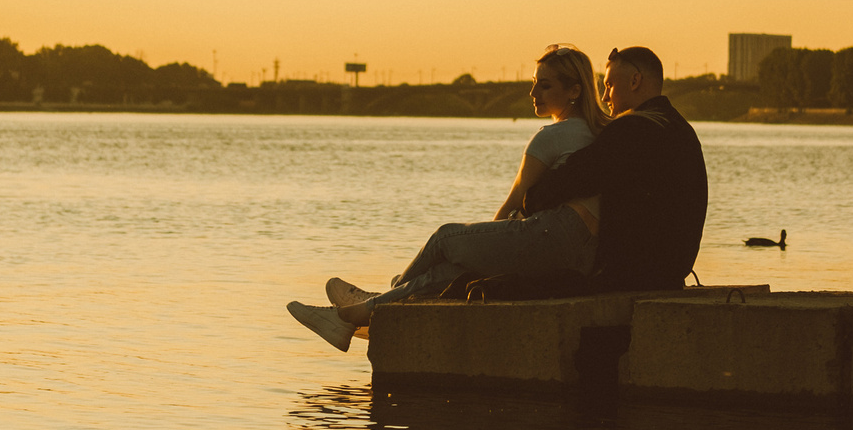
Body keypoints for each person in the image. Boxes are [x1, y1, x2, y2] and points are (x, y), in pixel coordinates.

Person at [286, 45, 608, 351]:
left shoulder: (552, 136)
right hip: (581, 250)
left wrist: (485, 247)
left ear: (574, 91)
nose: (533, 93)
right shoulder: (596, 133)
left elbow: (512, 205)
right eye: (533, 84)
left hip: (555, 235)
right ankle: (354, 316)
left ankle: (381, 299)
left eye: (544, 86)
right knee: (446, 274)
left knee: (446, 238)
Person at [517, 45, 707, 292]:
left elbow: (575, 177)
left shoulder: (633, 128)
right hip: (670, 270)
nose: (605, 97)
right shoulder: (682, 130)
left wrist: (528, 203)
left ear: (635, 81)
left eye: (609, 86)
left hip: (632, 273)